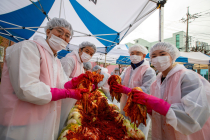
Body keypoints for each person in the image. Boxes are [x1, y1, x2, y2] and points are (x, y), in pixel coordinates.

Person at [0, 18, 89, 140]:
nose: (63, 37)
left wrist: (73, 83)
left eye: (67, 36)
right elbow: (27, 88)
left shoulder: (55, 60)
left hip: (43, 119)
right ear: (48, 31)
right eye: (59, 31)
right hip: (20, 122)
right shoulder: (28, 48)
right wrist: (67, 93)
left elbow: (58, 84)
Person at [132, 42, 210, 140]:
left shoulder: (187, 77)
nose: (158, 58)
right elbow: (158, 115)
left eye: (162, 54)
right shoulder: (155, 83)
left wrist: (158, 104)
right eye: (154, 56)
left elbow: (194, 115)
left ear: (172, 56)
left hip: (185, 135)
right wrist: (150, 109)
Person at [111, 44, 156, 139]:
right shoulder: (128, 69)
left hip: (139, 108)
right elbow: (121, 81)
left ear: (144, 55)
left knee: (137, 133)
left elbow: (147, 90)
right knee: (125, 131)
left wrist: (126, 90)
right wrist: (116, 81)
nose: (134, 55)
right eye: (132, 53)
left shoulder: (149, 71)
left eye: (137, 53)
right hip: (125, 105)